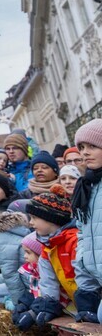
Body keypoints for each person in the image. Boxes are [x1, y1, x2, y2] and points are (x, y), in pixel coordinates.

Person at [17, 186, 79, 330]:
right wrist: (46, 307)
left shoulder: (74, 241)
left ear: (51, 219)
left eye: (34, 218)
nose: (30, 223)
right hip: (75, 302)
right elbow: (48, 282)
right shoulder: (48, 247)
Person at [70, 119, 102, 323]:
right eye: (81, 147)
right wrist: (83, 260)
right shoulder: (86, 186)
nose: (85, 152)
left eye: (93, 146)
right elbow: (82, 231)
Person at [12, 233, 43, 328]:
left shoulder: (49, 274)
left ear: (40, 254)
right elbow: (33, 292)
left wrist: (33, 313)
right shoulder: (33, 272)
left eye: (28, 252)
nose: (25, 256)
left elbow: (52, 298)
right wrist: (23, 304)